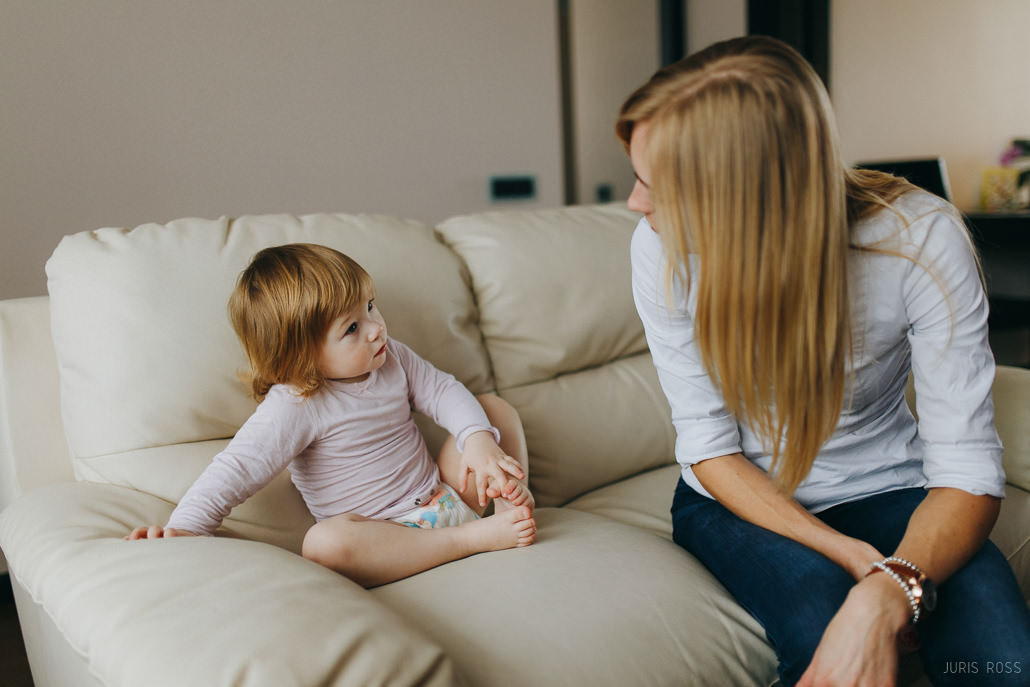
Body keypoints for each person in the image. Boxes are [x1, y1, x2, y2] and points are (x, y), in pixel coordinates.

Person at [617, 36, 1030, 686]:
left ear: (747, 197)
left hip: (893, 485)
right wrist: (848, 558)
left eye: (654, 186)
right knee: (824, 639)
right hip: (737, 503)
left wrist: (889, 586)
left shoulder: (919, 239)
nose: (636, 205)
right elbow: (709, 445)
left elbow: (968, 468)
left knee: (1004, 662)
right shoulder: (659, 251)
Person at [127, 243, 536, 587]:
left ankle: (506, 510)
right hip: (386, 540)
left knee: (491, 410)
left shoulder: (391, 358)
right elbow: (237, 468)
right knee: (324, 545)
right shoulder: (295, 404)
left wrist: (479, 442)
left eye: (371, 307)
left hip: (447, 496)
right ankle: (472, 540)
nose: (376, 328)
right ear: (299, 354)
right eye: (352, 328)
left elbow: (446, 392)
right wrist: (184, 528)